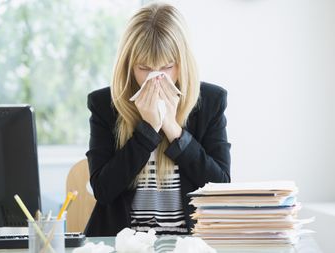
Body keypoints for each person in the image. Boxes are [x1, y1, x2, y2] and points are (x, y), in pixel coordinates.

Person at [85, 2, 231, 236]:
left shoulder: (210, 102)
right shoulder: (104, 104)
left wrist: (173, 129)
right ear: (129, 65)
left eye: (167, 67)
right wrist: (148, 131)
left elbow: (220, 187)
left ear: (182, 63)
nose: (156, 79)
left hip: (189, 244)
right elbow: (103, 190)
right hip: (126, 243)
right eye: (144, 68)